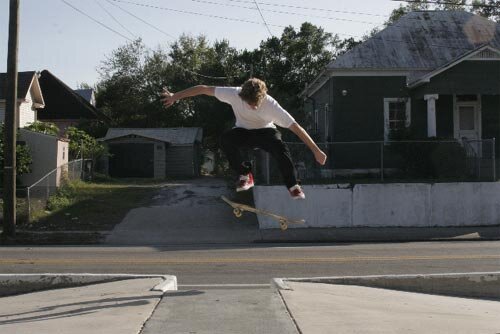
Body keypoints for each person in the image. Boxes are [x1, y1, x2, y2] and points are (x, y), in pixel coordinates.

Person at [161, 78, 327, 199]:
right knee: (226, 139)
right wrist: (176, 96)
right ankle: (246, 174)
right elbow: (203, 88)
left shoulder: (272, 105)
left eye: (256, 104)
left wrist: (316, 151)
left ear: (263, 98)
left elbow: (297, 128)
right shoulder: (234, 93)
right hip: (243, 131)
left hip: (266, 132)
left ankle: (293, 186)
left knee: (280, 148)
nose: (253, 107)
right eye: (249, 103)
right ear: (242, 95)